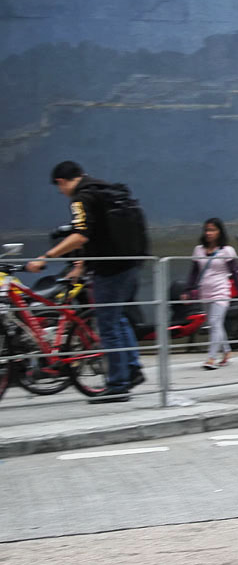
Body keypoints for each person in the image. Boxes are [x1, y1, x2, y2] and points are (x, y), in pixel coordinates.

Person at [25, 161, 145, 403]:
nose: (61, 192)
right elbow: (100, 234)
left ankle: (118, 385)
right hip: (131, 263)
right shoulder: (103, 189)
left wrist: (45, 257)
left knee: (108, 325)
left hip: (110, 270)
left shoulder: (81, 198)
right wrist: (81, 264)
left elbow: (81, 235)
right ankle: (131, 370)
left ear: (62, 181)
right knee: (119, 320)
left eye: (59, 187)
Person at [181, 218, 238, 370]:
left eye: (213, 230)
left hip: (221, 291)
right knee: (214, 323)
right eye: (207, 230)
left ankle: (211, 358)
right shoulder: (199, 250)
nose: (209, 233)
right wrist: (188, 289)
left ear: (220, 232)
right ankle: (227, 352)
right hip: (205, 291)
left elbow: (235, 274)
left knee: (215, 323)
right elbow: (194, 272)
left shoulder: (227, 251)